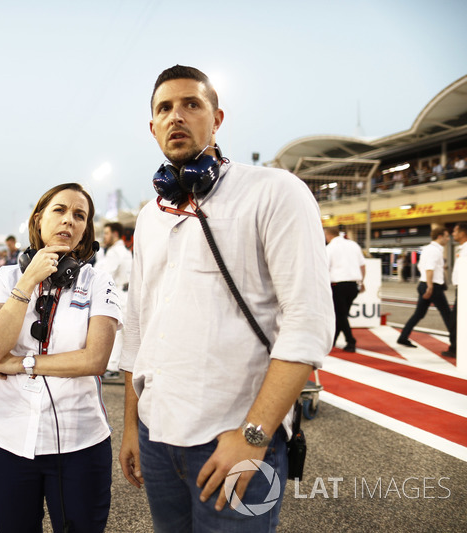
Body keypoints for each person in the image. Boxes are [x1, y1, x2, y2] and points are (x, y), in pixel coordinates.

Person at [118, 65, 333, 532]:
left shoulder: (275, 192)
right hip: (157, 439)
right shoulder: (150, 218)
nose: (176, 116)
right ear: (151, 126)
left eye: (191, 104)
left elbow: (309, 323)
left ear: (217, 118)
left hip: (234, 439)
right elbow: (139, 327)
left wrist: (254, 436)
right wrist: (133, 426)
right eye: (164, 108)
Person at [0, 182, 122, 533]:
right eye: (60, 211)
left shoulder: (98, 281)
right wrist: (27, 282)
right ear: (39, 218)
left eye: (80, 215)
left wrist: (24, 364)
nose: (69, 221)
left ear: (86, 229)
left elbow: (94, 360)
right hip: (6, 439)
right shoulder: (6, 277)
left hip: (79, 443)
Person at [397, 227, 452, 348]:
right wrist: (430, 286)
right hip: (432, 286)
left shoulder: (427, 249)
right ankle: (456, 344)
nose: (448, 239)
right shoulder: (434, 250)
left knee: (419, 314)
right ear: (440, 236)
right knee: (447, 314)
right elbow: (429, 268)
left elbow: (421, 267)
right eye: (447, 236)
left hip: (424, 284)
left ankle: (403, 337)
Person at [94, 221, 132, 379]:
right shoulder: (124, 251)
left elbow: (106, 273)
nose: (105, 237)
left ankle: (112, 367)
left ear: (115, 234)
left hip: (118, 293)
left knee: (116, 333)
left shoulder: (115, 252)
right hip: (126, 293)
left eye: (107, 233)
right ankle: (118, 366)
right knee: (124, 334)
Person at [324, 227, 366, 352]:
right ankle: (333, 340)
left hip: (337, 285)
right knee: (342, 314)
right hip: (353, 286)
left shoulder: (330, 248)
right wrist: (362, 282)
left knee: (340, 315)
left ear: (328, 235)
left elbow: (325, 268)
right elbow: (362, 266)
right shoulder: (354, 245)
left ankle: (351, 341)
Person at [443, 222, 466, 358]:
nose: (453, 234)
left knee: (455, 320)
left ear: (463, 233)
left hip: (464, 289)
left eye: (455, 231)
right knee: (455, 319)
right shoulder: (462, 248)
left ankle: (455, 348)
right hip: (460, 288)